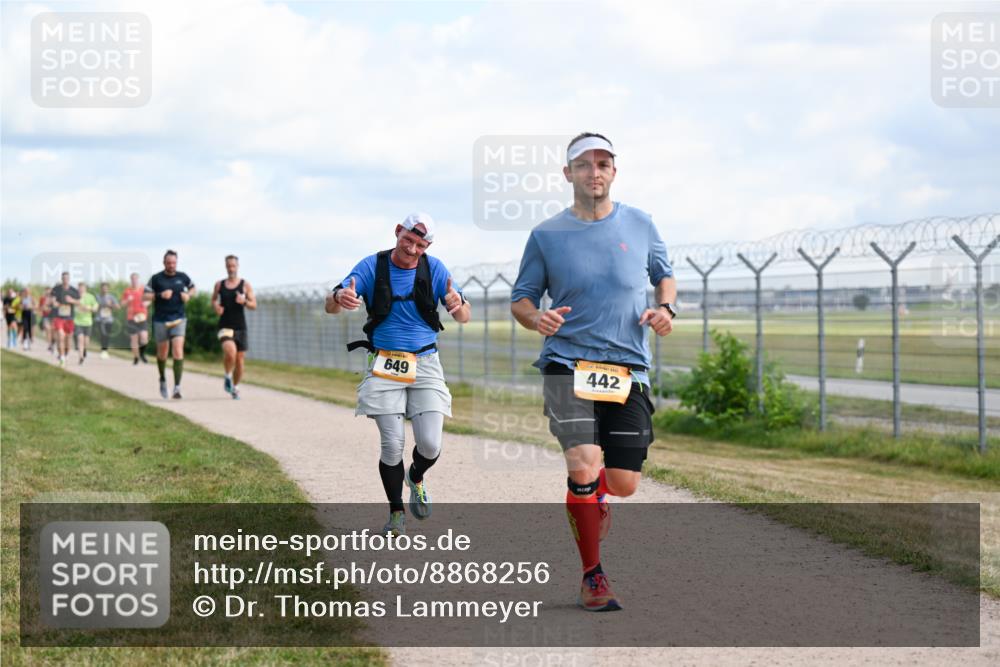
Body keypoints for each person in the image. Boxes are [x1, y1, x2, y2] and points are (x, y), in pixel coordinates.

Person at [510, 133, 676, 612]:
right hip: (567, 364)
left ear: (614, 172)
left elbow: (663, 274)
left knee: (623, 483)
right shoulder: (546, 235)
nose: (594, 172)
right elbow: (521, 299)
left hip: (627, 366)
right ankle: (593, 574)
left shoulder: (640, 223)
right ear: (568, 174)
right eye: (584, 164)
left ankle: (593, 496)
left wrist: (666, 308)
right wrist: (533, 318)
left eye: (603, 163)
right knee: (582, 464)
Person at [326, 213, 470, 536]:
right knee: (392, 444)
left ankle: (416, 477)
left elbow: (464, 314)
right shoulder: (371, 266)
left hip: (426, 363)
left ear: (427, 245)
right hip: (384, 364)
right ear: (397, 232)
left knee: (430, 444)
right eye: (408, 239)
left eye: (420, 244)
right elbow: (330, 303)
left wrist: (458, 306)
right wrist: (339, 298)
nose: (412, 248)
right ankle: (396, 512)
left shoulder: (435, 269)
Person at [145, 250, 195, 399]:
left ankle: (177, 387)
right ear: (164, 263)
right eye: (168, 263)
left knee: (178, 350)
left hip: (179, 319)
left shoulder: (183, 277)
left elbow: (193, 288)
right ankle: (162, 378)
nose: (171, 265)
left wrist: (188, 295)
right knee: (162, 353)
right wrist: (160, 295)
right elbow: (145, 295)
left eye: (174, 263)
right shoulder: (156, 278)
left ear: (176, 262)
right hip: (161, 319)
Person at [211, 255, 257, 400]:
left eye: (233, 266)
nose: (231, 268)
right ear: (226, 266)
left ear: (237, 266)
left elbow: (254, 305)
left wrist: (244, 301)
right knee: (230, 352)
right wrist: (216, 307)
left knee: (240, 360)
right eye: (229, 266)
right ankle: (227, 375)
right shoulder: (219, 285)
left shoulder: (245, 285)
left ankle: (235, 387)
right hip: (225, 326)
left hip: (240, 326)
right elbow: (213, 300)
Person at [50, 273, 80, 367]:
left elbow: (79, 302)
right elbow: (53, 300)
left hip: (69, 317)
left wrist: (72, 300)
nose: (65, 280)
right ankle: (62, 358)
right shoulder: (56, 289)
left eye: (67, 278)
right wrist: (55, 303)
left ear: (69, 279)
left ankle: (65, 353)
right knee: (60, 336)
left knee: (68, 339)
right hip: (59, 317)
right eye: (63, 278)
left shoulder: (74, 290)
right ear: (61, 279)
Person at [122, 273, 150, 365]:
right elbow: (122, 304)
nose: (134, 281)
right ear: (131, 280)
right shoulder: (127, 291)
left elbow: (150, 298)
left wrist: (147, 303)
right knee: (134, 339)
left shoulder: (143, 289)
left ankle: (142, 354)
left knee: (144, 337)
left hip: (142, 317)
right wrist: (127, 300)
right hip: (131, 318)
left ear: (138, 279)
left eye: (135, 279)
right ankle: (136, 357)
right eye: (132, 279)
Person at [73, 282, 99, 364]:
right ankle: (80, 357)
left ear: (85, 288)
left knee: (86, 341)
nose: (81, 289)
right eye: (79, 288)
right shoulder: (75, 296)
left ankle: (85, 349)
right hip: (77, 321)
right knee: (80, 339)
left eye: (82, 288)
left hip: (88, 322)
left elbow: (95, 306)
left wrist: (91, 308)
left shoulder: (90, 297)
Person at [95, 282, 120, 359]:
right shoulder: (97, 297)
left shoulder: (111, 297)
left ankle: (104, 351)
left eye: (106, 288)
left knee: (107, 335)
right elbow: (94, 307)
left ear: (108, 289)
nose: (104, 289)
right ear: (101, 288)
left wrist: (110, 305)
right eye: (103, 288)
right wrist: (100, 305)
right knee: (103, 334)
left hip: (109, 319)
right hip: (100, 319)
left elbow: (118, 307)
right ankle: (103, 350)